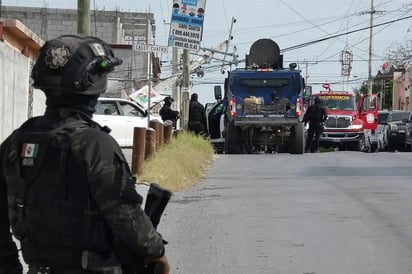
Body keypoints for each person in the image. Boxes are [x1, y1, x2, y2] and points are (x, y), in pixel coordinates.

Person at [0, 35, 170, 274]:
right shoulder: (95, 144)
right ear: (94, 84)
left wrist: (10, 267)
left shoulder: (15, 142)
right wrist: (156, 252)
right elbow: (124, 215)